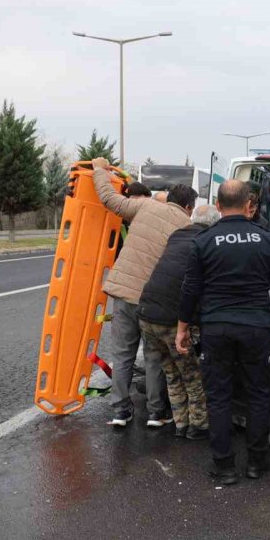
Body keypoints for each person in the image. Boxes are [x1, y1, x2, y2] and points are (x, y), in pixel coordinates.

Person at [176, 179, 270, 485]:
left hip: (216, 329)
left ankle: (224, 467)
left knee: (218, 397)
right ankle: (256, 463)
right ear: (249, 205)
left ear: (217, 205)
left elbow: (190, 289)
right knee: (258, 394)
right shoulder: (266, 239)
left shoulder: (204, 241)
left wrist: (182, 328)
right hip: (256, 328)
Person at [92, 157, 196, 428]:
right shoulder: (187, 226)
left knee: (122, 355)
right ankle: (155, 413)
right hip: (152, 301)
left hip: (123, 293)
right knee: (153, 357)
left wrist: (100, 171)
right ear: (188, 207)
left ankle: (120, 412)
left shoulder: (144, 206)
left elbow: (109, 199)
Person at [137, 205, 220, 439]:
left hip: (146, 313)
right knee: (191, 374)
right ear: (214, 224)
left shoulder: (177, 235)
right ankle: (198, 426)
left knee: (171, 372)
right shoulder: (209, 242)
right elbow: (198, 287)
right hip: (170, 320)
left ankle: (181, 423)